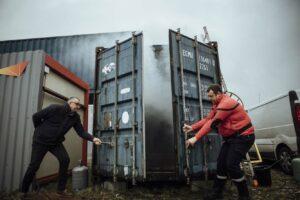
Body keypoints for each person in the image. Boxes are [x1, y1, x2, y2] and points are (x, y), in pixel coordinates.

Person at [183, 84, 255, 200]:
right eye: (209, 97)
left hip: (243, 137)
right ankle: (217, 194)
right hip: (231, 139)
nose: (210, 99)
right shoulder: (216, 104)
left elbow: (213, 123)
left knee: (231, 165)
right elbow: (208, 119)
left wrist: (195, 138)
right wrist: (192, 127)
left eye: (211, 96)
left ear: (219, 94)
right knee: (221, 164)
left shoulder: (226, 103)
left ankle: (244, 196)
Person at [21, 97, 102, 198]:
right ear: (70, 103)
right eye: (76, 104)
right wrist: (41, 130)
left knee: (65, 160)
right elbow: (36, 117)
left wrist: (93, 139)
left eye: (79, 105)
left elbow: (81, 132)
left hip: (55, 142)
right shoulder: (55, 108)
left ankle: (61, 189)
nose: (78, 106)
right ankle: (23, 191)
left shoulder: (75, 117)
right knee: (34, 165)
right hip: (41, 141)